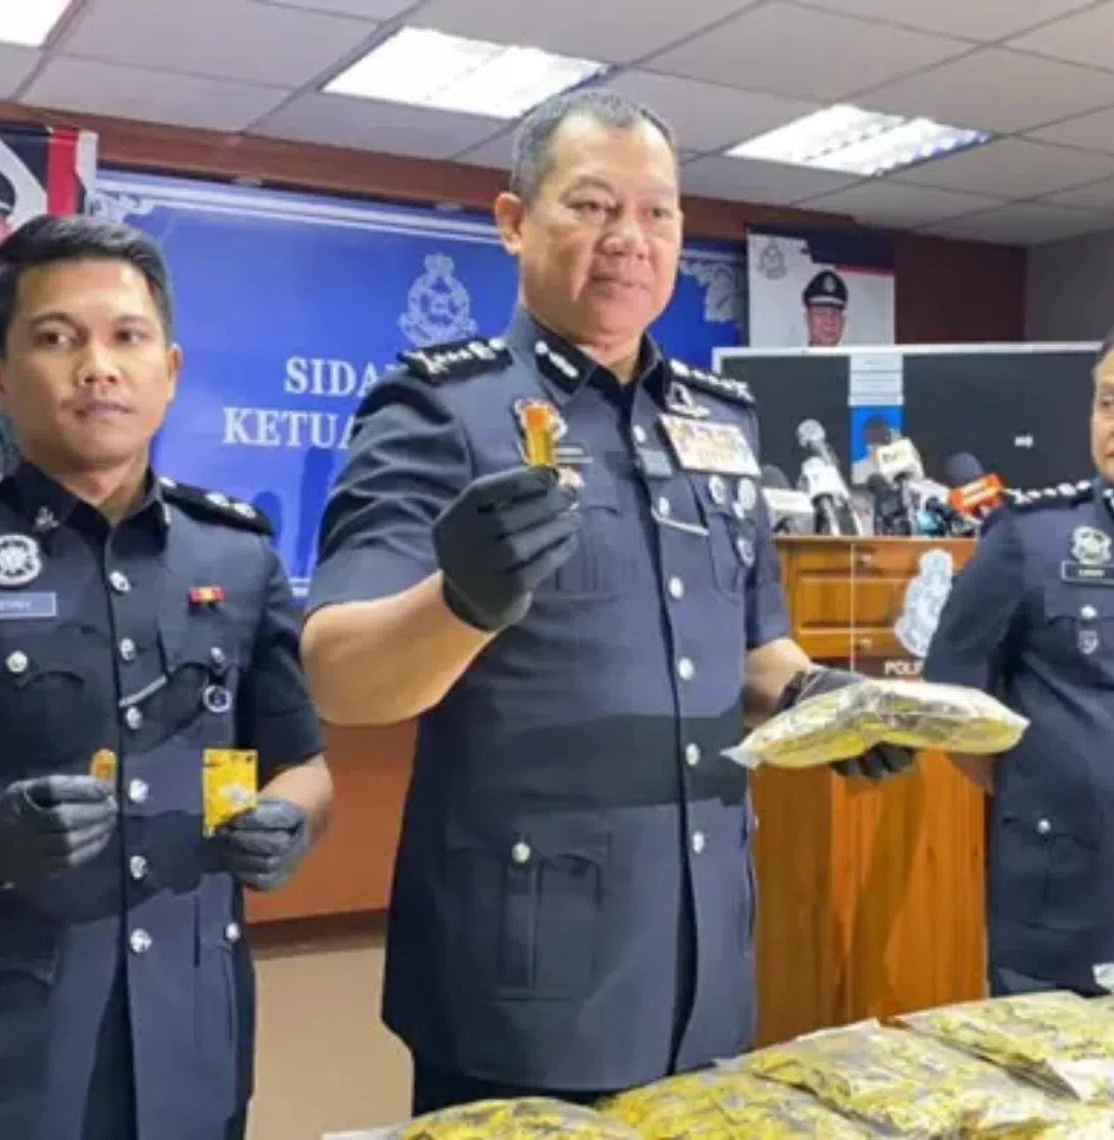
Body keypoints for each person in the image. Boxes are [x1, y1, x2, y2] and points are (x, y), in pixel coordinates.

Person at [302, 88, 913, 1117]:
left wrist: (820, 699)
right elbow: (341, 673)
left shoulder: (717, 423)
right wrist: (463, 599)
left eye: (660, 212)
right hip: (521, 958)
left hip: (701, 948)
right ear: (513, 223)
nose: (631, 239)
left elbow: (754, 647)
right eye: (592, 206)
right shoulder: (439, 408)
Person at [0, 214, 332, 1140]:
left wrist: (293, 822)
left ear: (168, 372)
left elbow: (302, 763)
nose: (98, 366)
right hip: (4, 1039)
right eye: (57, 338)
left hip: (194, 1023)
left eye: (127, 337)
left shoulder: (239, 553)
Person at [924, 330, 1114, 1000]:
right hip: (1063, 899)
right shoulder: (1031, 539)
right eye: (1108, 403)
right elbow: (952, 703)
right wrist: (1048, 786)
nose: (1113, 425)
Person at [802, 268, 847, 347]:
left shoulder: (858, 359)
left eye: (835, 313)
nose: (829, 321)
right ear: (807, 318)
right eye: (821, 312)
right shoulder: (793, 359)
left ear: (843, 322)